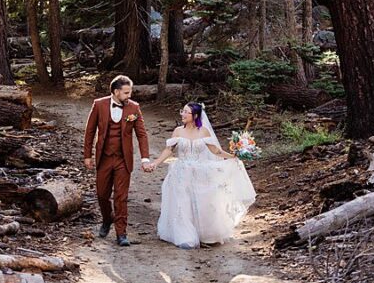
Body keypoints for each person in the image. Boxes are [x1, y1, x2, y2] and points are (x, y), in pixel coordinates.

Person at [154, 101, 256, 249]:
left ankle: (203, 233)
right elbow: (168, 150)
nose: (182, 114)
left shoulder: (204, 132)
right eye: (182, 111)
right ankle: (185, 235)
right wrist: (156, 163)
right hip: (181, 172)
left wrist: (233, 156)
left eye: (186, 112)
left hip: (199, 172)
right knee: (182, 203)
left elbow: (215, 151)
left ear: (195, 116)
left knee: (201, 202)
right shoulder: (178, 131)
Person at [83, 75, 154, 246]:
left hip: (123, 159)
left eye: (130, 92)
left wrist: (145, 158)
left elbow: (142, 134)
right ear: (116, 92)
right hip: (104, 158)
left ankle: (121, 233)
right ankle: (107, 219)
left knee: (121, 197)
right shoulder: (99, 104)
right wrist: (87, 155)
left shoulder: (134, 108)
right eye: (126, 92)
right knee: (102, 195)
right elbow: (90, 131)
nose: (130, 95)